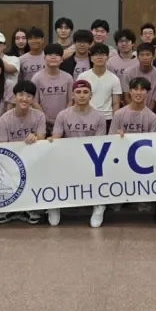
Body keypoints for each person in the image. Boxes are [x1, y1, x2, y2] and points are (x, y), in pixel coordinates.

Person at [48, 80, 109, 227]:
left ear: (91, 95)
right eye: (78, 92)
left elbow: (99, 143)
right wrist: (50, 140)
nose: (82, 95)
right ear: (73, 95)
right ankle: (53, 205)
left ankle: (99, 206)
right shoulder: (63, 115)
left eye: (85, 92)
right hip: (68, 158)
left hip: (91, 158)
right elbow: (57, 137)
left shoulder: (99, 117)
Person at [0, 81, 47, 225]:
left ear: (33, 99)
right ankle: (11, 207)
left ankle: (31, 207)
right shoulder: (4, 119)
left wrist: (36, 137)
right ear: (14, 96)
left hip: (33, 158)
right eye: (21, 95)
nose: (24, 99)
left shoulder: (39, 116)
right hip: (10, 159)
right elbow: (2, 147)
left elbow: (42, 139)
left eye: (29, 96)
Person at [77, 43, 122, 129]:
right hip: (86, 117)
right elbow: (77, 99)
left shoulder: (114, 79)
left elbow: (116, 104)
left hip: (107, 118)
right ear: (91, 58)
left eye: (103, 54)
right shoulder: (82, 76)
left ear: (107, 57)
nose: (100, 57)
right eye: (96, 54)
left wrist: (116, 124)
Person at [32, 44, 76, 128]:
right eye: (50, 55)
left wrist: (63, 118)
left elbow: (71, 101)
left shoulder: (68, 78)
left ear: (62, 59)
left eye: (57, 55)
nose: (53, 57)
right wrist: (45, 118)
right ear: (44, 58)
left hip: (65, 121)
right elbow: (34, 102)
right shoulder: (37, 78)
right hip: (42, 122)